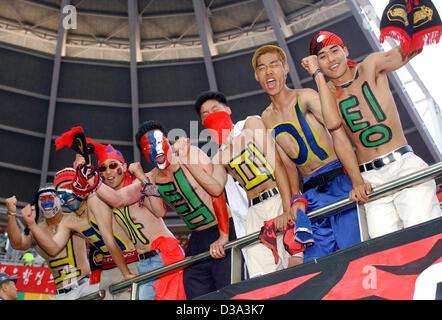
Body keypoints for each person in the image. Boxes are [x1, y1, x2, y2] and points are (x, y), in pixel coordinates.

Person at [303, 31, 442, 238]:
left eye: (335, 51)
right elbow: (334, 128)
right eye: (322, 56)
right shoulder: (327, 94)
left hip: (403, 164)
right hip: (371, 179)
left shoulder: (371, 66)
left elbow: (409, 49)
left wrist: (417, 25)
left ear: (345, 50)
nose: (331, 59)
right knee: (384, 249)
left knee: (425, 237)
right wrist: (357, 181)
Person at [92, 120, 236, 299]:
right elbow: (122, 199)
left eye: (157, 142)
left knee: (230, 294)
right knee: (195, 295)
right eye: (147, 147)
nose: (153, 149)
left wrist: (223, 235)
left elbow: (216, 193)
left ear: (167, 141)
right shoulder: (151, 177)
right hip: (197, 238)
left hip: (223, 227)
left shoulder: (189, 154)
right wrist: (92, 180)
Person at [252, 44, 370, 262]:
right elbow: (287, 165)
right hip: (311, 194)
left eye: (274, 65)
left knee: (356, 254)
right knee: (316, 265)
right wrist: (293, 203)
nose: (268, 71)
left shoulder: (305, 96)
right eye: (262, 68)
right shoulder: (266, 118)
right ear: (256, 76)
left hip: (339, 181)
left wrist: (357, 179)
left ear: (285, 68)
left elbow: (340, 131)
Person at [192, 91, 308, 278]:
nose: (211, 115)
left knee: (294, 266)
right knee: (260, 276)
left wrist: (287, 209)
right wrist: (188, 161)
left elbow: (277, 164)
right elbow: (215, 188)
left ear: (228, 110)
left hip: (277, 198)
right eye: (205, 114)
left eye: (215, 109)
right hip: (253, 213)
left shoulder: (251, 124)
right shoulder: (219, 156)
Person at [85, 140, 185, 300]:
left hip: (165, 254)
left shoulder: (137, 185)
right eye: (102, 168)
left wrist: (142, 177)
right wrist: (125, 273)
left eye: (113, 165)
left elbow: (160, 211)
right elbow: (109, 240)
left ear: (124, 167)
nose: (108, 172)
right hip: (143, 263)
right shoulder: (106, 199)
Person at [20, 168, 138, 300]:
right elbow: (53, 249)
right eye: (61, 193)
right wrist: (32, 225)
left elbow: (110, 240)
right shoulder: (69, 221)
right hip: (110, 267)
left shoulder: (95, 200)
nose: (66, 195)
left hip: (130, 261)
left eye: (69, 187)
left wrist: (126, 273)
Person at [5, 191, 95, 300]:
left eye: (50, 198)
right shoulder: (36, 231)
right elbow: (17, 244)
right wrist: (11, 213)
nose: (46, 202)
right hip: (62, 293)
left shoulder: (73, 219)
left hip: (85, 286)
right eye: (43, 199)